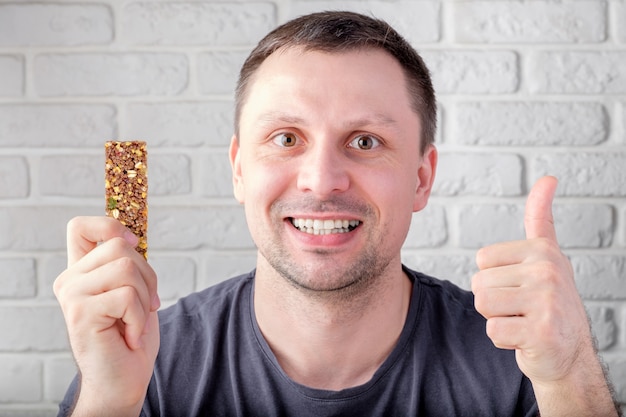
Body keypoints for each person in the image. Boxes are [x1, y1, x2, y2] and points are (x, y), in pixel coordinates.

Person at [54, 11, 621, 417]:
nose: (322, 180)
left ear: (422, 177)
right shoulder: (146, 365)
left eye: (366, 141)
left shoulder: (519, 365)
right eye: (285, 137)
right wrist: (108, 402)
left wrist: (570, 373)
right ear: (238, 170)